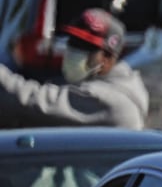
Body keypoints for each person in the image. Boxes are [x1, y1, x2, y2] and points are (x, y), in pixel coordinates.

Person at [0, 8, 148, 129]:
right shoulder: (122, 82)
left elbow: (33, 101)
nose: (74, 51)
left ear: (108, 58)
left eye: (86, 47)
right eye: (73, 42)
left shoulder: (109, 100)